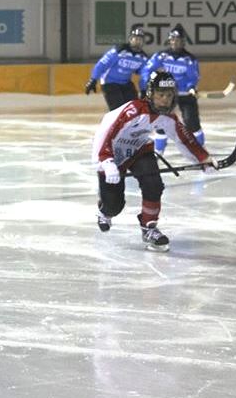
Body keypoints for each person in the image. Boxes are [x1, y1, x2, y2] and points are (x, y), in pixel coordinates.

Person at [93, 71, 216, 252]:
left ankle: (149, 228)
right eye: (161, 95)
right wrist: (106, 161)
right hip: (112, 155)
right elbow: (105, 131)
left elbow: (183, 138)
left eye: (169, 95)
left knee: (154, 184)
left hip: (140, 151)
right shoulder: (133, 110)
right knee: (114, 206)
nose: (165, 100)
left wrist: (203, 158)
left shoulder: (167, 116)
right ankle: (105, 210)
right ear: (150, 93)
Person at [140, 25, 203, 154]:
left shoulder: (189, 59)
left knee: (192, 123)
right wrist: (148, 83)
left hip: (185, 95)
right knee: (161, 123)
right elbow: (147, 69)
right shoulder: (162, 56)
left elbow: (194, 77)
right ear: (170, 41)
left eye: (179, 40)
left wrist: (191, 87)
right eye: (173, 40)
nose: (176, 43)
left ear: (184, 42)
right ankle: (159, 151)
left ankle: (199, 150)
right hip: (166, 96)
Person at [84, 26, 148, 111]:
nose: (137, 42)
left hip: (126, 83)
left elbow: (145, 75)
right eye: (135, 39)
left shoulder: (143, 58)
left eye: (140, 40)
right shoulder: (119, 50)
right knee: (118, 110)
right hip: (109, 82)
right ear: (130, 39)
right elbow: (102, 64)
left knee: (134, 107)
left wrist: (143, 90)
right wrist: (93, 80)